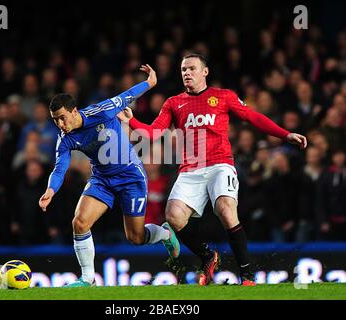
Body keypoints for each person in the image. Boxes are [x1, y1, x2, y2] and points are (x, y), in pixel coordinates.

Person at [118, 54, 307, 286]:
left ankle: (247, 276)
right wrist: (132, 120)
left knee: (226, 209)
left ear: (205, 72)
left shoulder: (223, 96)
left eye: (191, 68)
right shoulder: (173, 103)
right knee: (173, 217)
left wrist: (285, 134)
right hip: (190, 169)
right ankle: (208, 256)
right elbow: (154, 133)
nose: (186, 73)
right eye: (183, 69)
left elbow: (252, 117)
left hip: (220, 164)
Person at [38, 65, 180, 287]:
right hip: (102, 180)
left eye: (63, 118)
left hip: (130, 177)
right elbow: (60, 167)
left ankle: (164, 234)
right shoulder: (64, 139)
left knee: (136, 237)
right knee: (80, 222)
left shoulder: (100, 111)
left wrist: (150, 83)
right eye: (55, 120)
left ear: (74, 111)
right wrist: (50, 190)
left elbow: (127, 96)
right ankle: (87, 279)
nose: (60, 124)